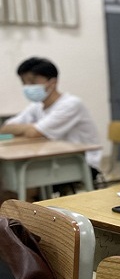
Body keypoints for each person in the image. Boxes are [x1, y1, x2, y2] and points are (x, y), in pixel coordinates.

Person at [0, 57, 103, 186]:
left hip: (80, 162)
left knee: (20, 182)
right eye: (24, 82)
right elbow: (5, 128)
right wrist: (31, 128)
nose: (27, 87)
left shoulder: (71, 104)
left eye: (32, 82)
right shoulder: (37, 106)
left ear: (52, 82)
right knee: (7, 176)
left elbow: (33, 133)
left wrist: (31, 129)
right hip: (51, 159)